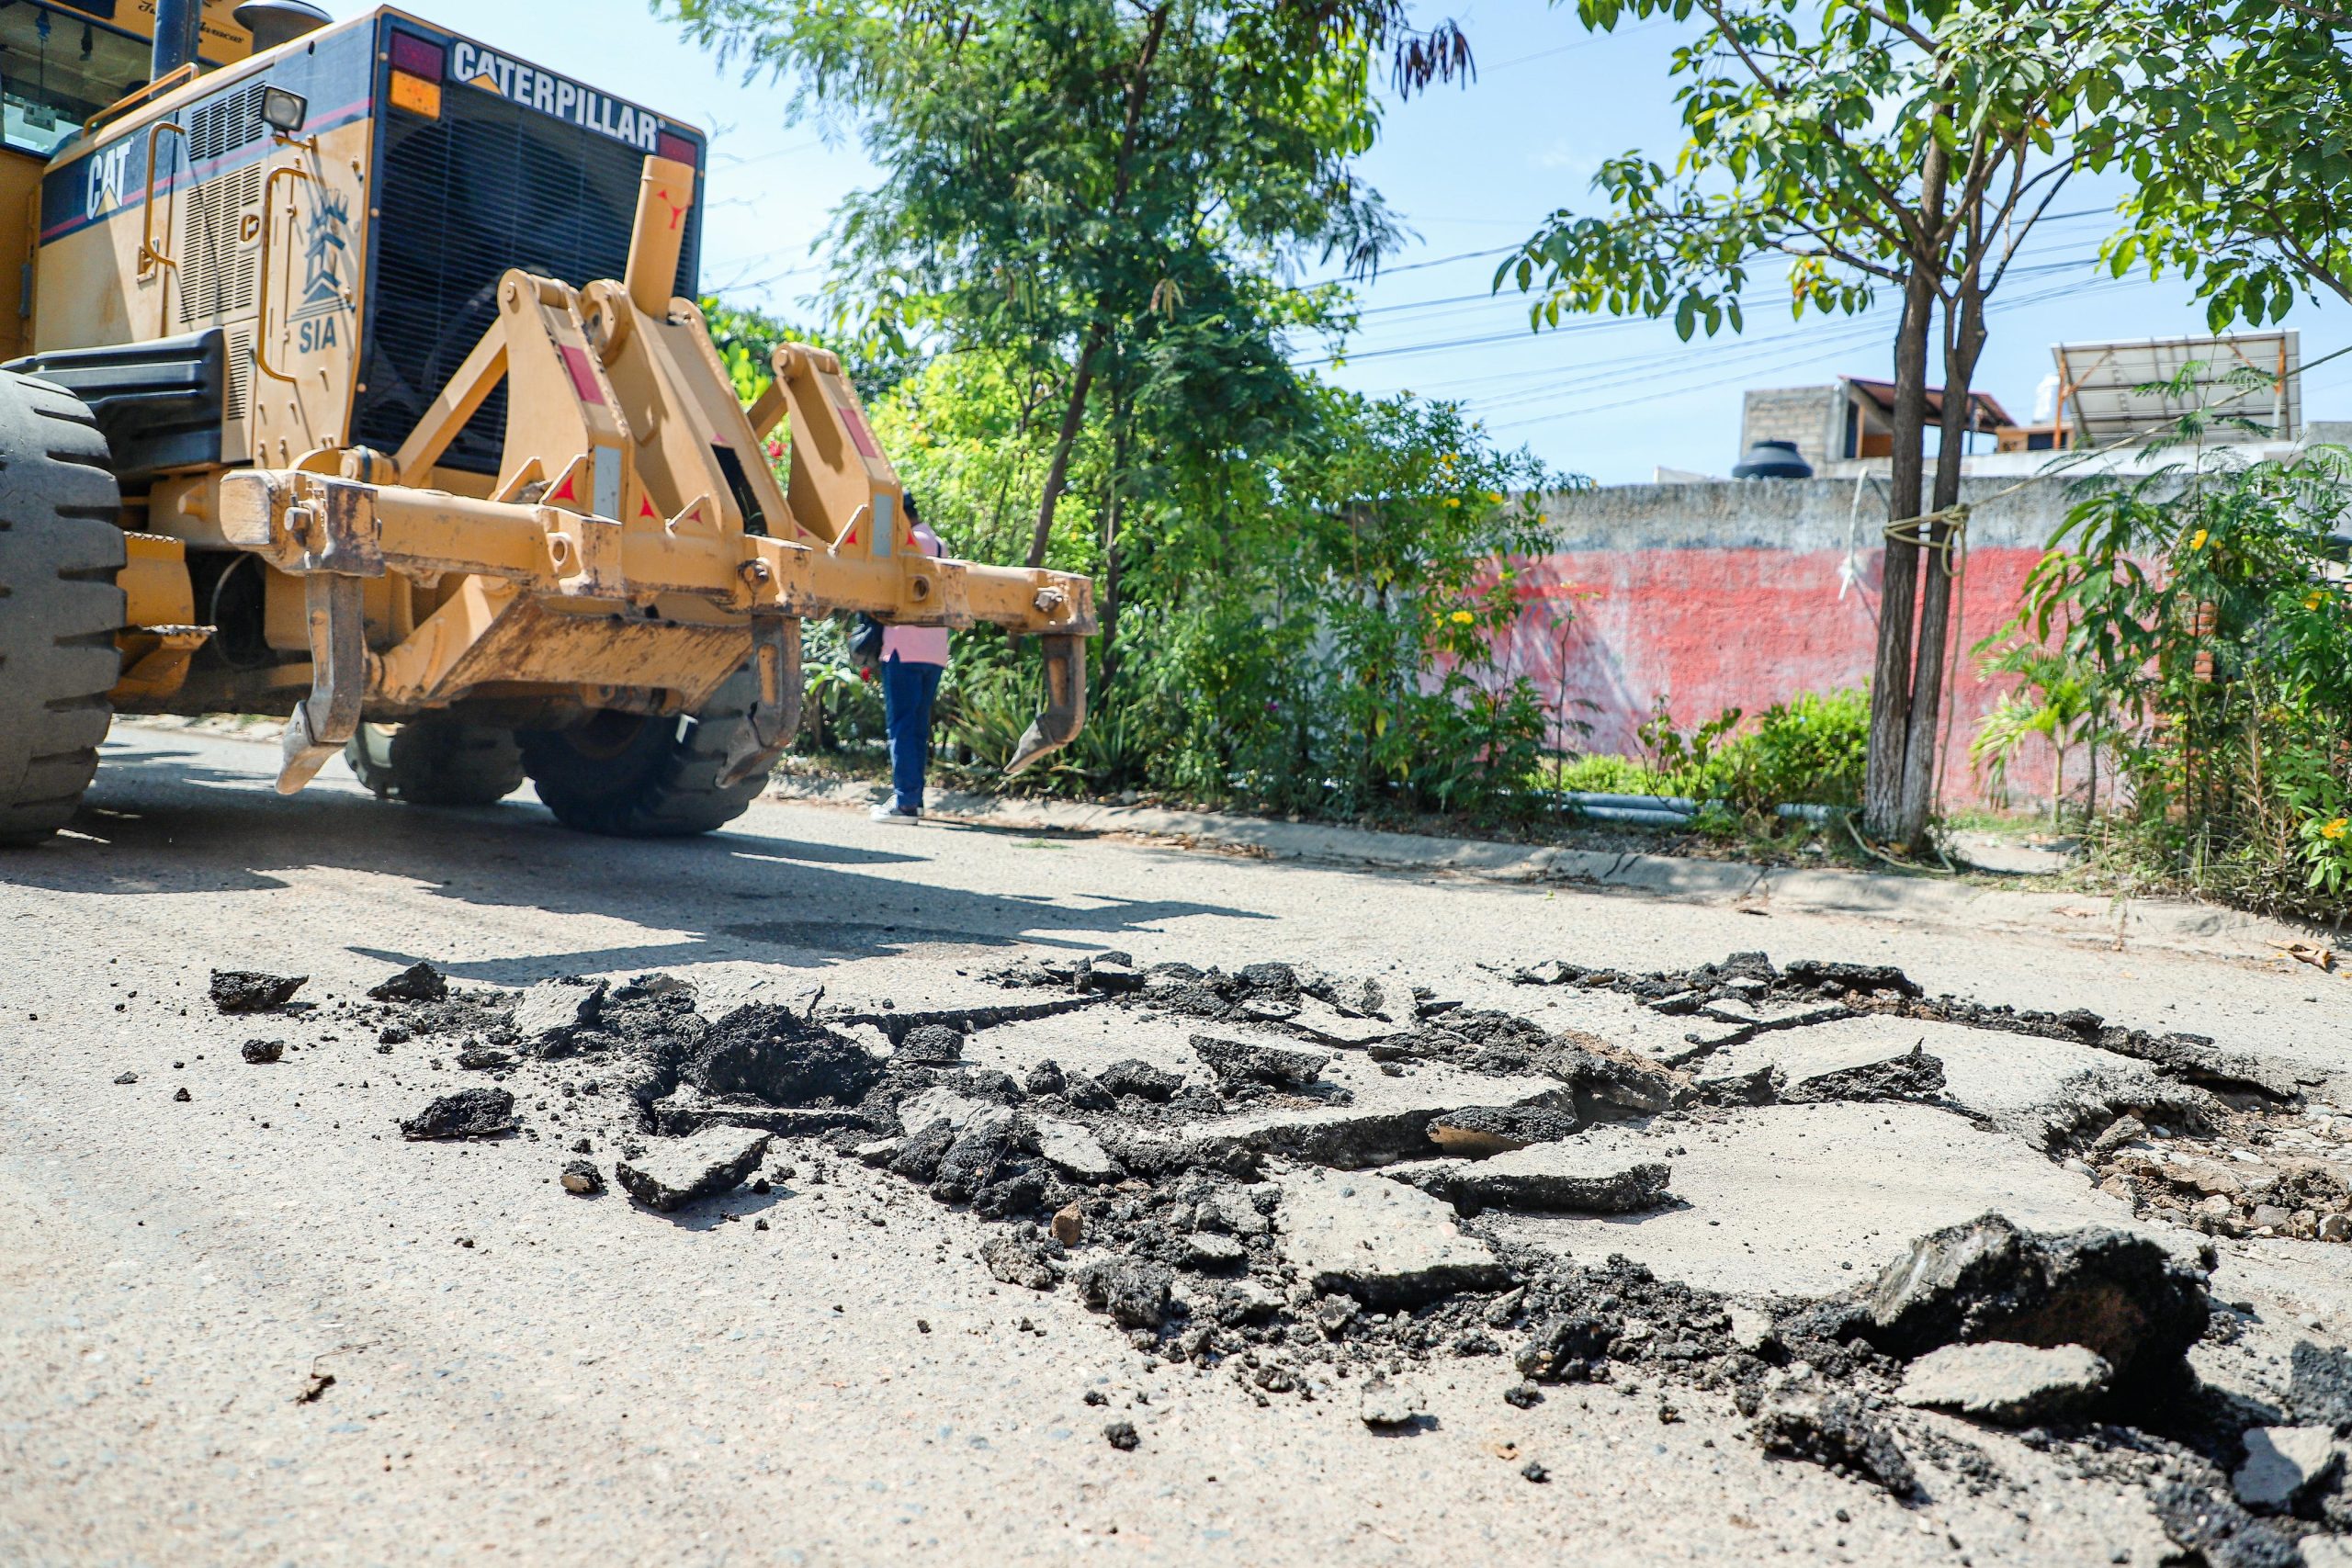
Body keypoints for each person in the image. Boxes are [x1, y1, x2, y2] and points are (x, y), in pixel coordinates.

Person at [872, 492, 949, 824]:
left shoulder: (906, 545)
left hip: (904, 646)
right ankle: (913, 800)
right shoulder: (939, 544)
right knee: (917, 728)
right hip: (934, 649)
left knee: (901, 727)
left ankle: (905, 803)